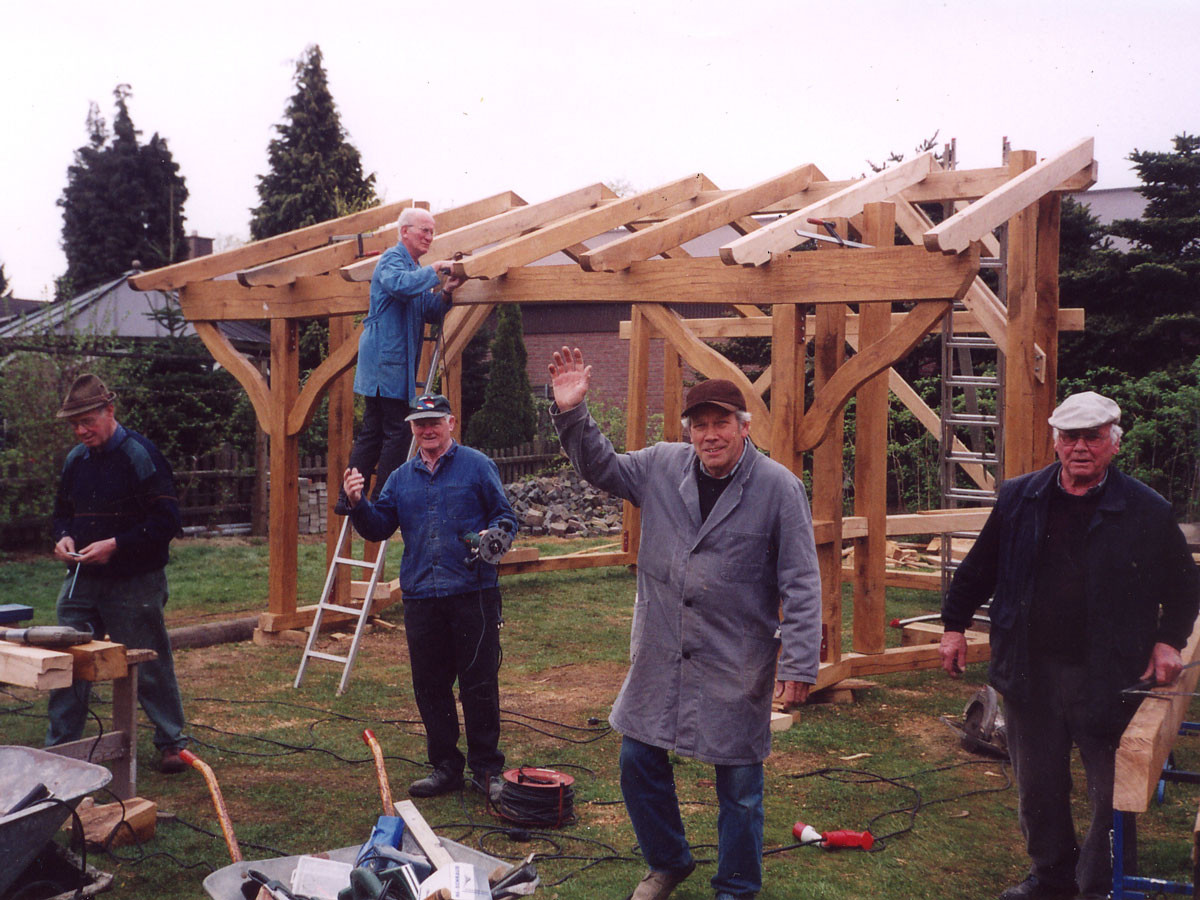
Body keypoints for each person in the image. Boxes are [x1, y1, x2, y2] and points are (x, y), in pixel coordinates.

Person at [547, 347, 822, 900]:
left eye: (722, 423)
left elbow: (801, 581)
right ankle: (668, 861)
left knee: (740, 785)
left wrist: (799, 661)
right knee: (637, 759)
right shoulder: (660, 466)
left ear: (744, 428)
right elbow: (602, 466)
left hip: (735, 658)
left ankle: (737, 887)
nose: (710, 435)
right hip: (662, 649)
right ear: (689, 431)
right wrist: (573, 412)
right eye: (700, 425)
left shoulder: (778, 488)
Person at [940, 390, 1199, 900]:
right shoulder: (1020, 497)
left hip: (1109, 674)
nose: (1081, 447)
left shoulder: (1147, 510)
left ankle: (1098, 885)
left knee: (1112, 789)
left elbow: (1186, 588)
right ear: (1056, 443)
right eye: (1070, 437)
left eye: (1093, 438)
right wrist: (953, 626)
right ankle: (1051, 876)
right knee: (1037, 787)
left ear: (1114, 444)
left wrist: (1170, 642)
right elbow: (978, 568)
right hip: (1030, 671)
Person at [342, 393, 516, 801]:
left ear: (451, 423)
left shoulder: (477, 466)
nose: (428, 429)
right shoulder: (400, 478)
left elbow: (505, 517)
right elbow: (379, 527)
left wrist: (493, 539)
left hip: (472, 594)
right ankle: (445, 767)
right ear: (412, 429)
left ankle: (487, 770)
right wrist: (357, 503)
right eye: (420, 424)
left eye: (435, 421)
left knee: (479, 683)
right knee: (431, 686)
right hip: (421, 597)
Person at [46, 374, 189, 774]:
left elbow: (167, 522)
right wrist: (63, 538)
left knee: (146, 662)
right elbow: (60, 515)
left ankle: (171, 741)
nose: (80, 430)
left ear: (110, 410)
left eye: (87, 420)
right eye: (74, 424)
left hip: (135, 579)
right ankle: (60, 746)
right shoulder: (76, 460)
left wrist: (117, 545)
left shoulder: (140, 455)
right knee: (65, 658)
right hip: (81, 581)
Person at [335, 207, 465, 514]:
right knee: (396, 429)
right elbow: (401, 286)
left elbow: (428, 312)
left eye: (432, 232)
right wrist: (435, 269)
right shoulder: (393, 261)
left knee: (374, 431)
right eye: (424, 231)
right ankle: (382, 497)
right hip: (386, 362)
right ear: (404, 231)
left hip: (390, 364)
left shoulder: (413, 268)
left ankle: (347, 497)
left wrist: (445, 294)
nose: (429, 237)